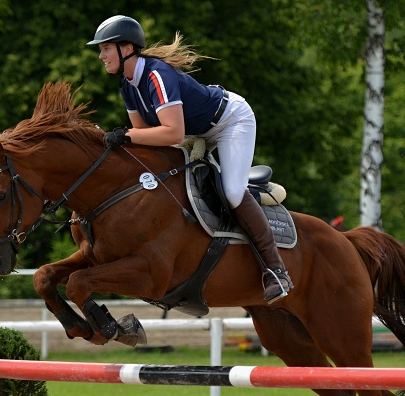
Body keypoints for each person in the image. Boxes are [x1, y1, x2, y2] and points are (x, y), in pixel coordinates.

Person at [88, 15, 292, 303]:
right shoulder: (127, 85)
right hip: (194, 131)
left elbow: (171, 132)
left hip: (230, 121)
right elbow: (147, 137)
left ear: (126, 48)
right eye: (101, 49)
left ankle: (276, 270)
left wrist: (125, 135)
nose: (101, 55)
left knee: (233, 191)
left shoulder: (156, 75)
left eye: (105, 48)